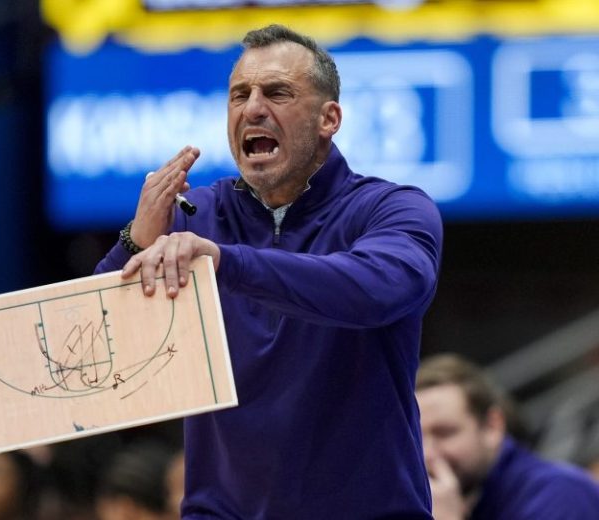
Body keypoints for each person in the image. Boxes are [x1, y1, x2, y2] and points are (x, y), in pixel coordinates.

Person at [95, 24, 443, 518]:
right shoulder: (193, 216)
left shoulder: (391, 209)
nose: (253, 109)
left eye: (277, 93)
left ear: (329, 118)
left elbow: (381, 287)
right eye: (240, 95)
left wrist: (228, 262)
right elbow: (89, 349)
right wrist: (136, 240)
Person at [416, 353, 599, 520]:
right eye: (417, 438)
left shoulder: (559, 494)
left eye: (445, 433)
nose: (427, 453)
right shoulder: (470, 502)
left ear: (492, 426)